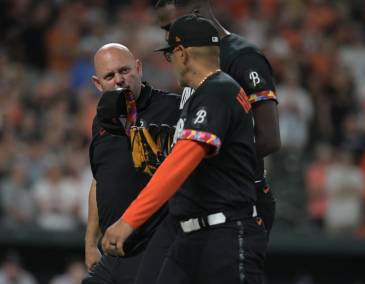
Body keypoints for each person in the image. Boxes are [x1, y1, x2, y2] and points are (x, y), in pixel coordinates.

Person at [102, 15, 267, 284]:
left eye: (169, 56)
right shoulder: (203, 94)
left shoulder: (218, 91)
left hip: (225, 235)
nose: (170, 64)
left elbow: (182, 160)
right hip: (192, 236)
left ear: (181, 54)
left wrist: (129, 220)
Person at [83, 43, 180, 284]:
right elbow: (99, 181)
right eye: (109, 76)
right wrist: (89, 243)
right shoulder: (101, 122)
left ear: (138, 68)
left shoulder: (174, 109)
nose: (119, 80)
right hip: (113, 252)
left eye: (124, 71)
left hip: (155, 247)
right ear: (98, 84)